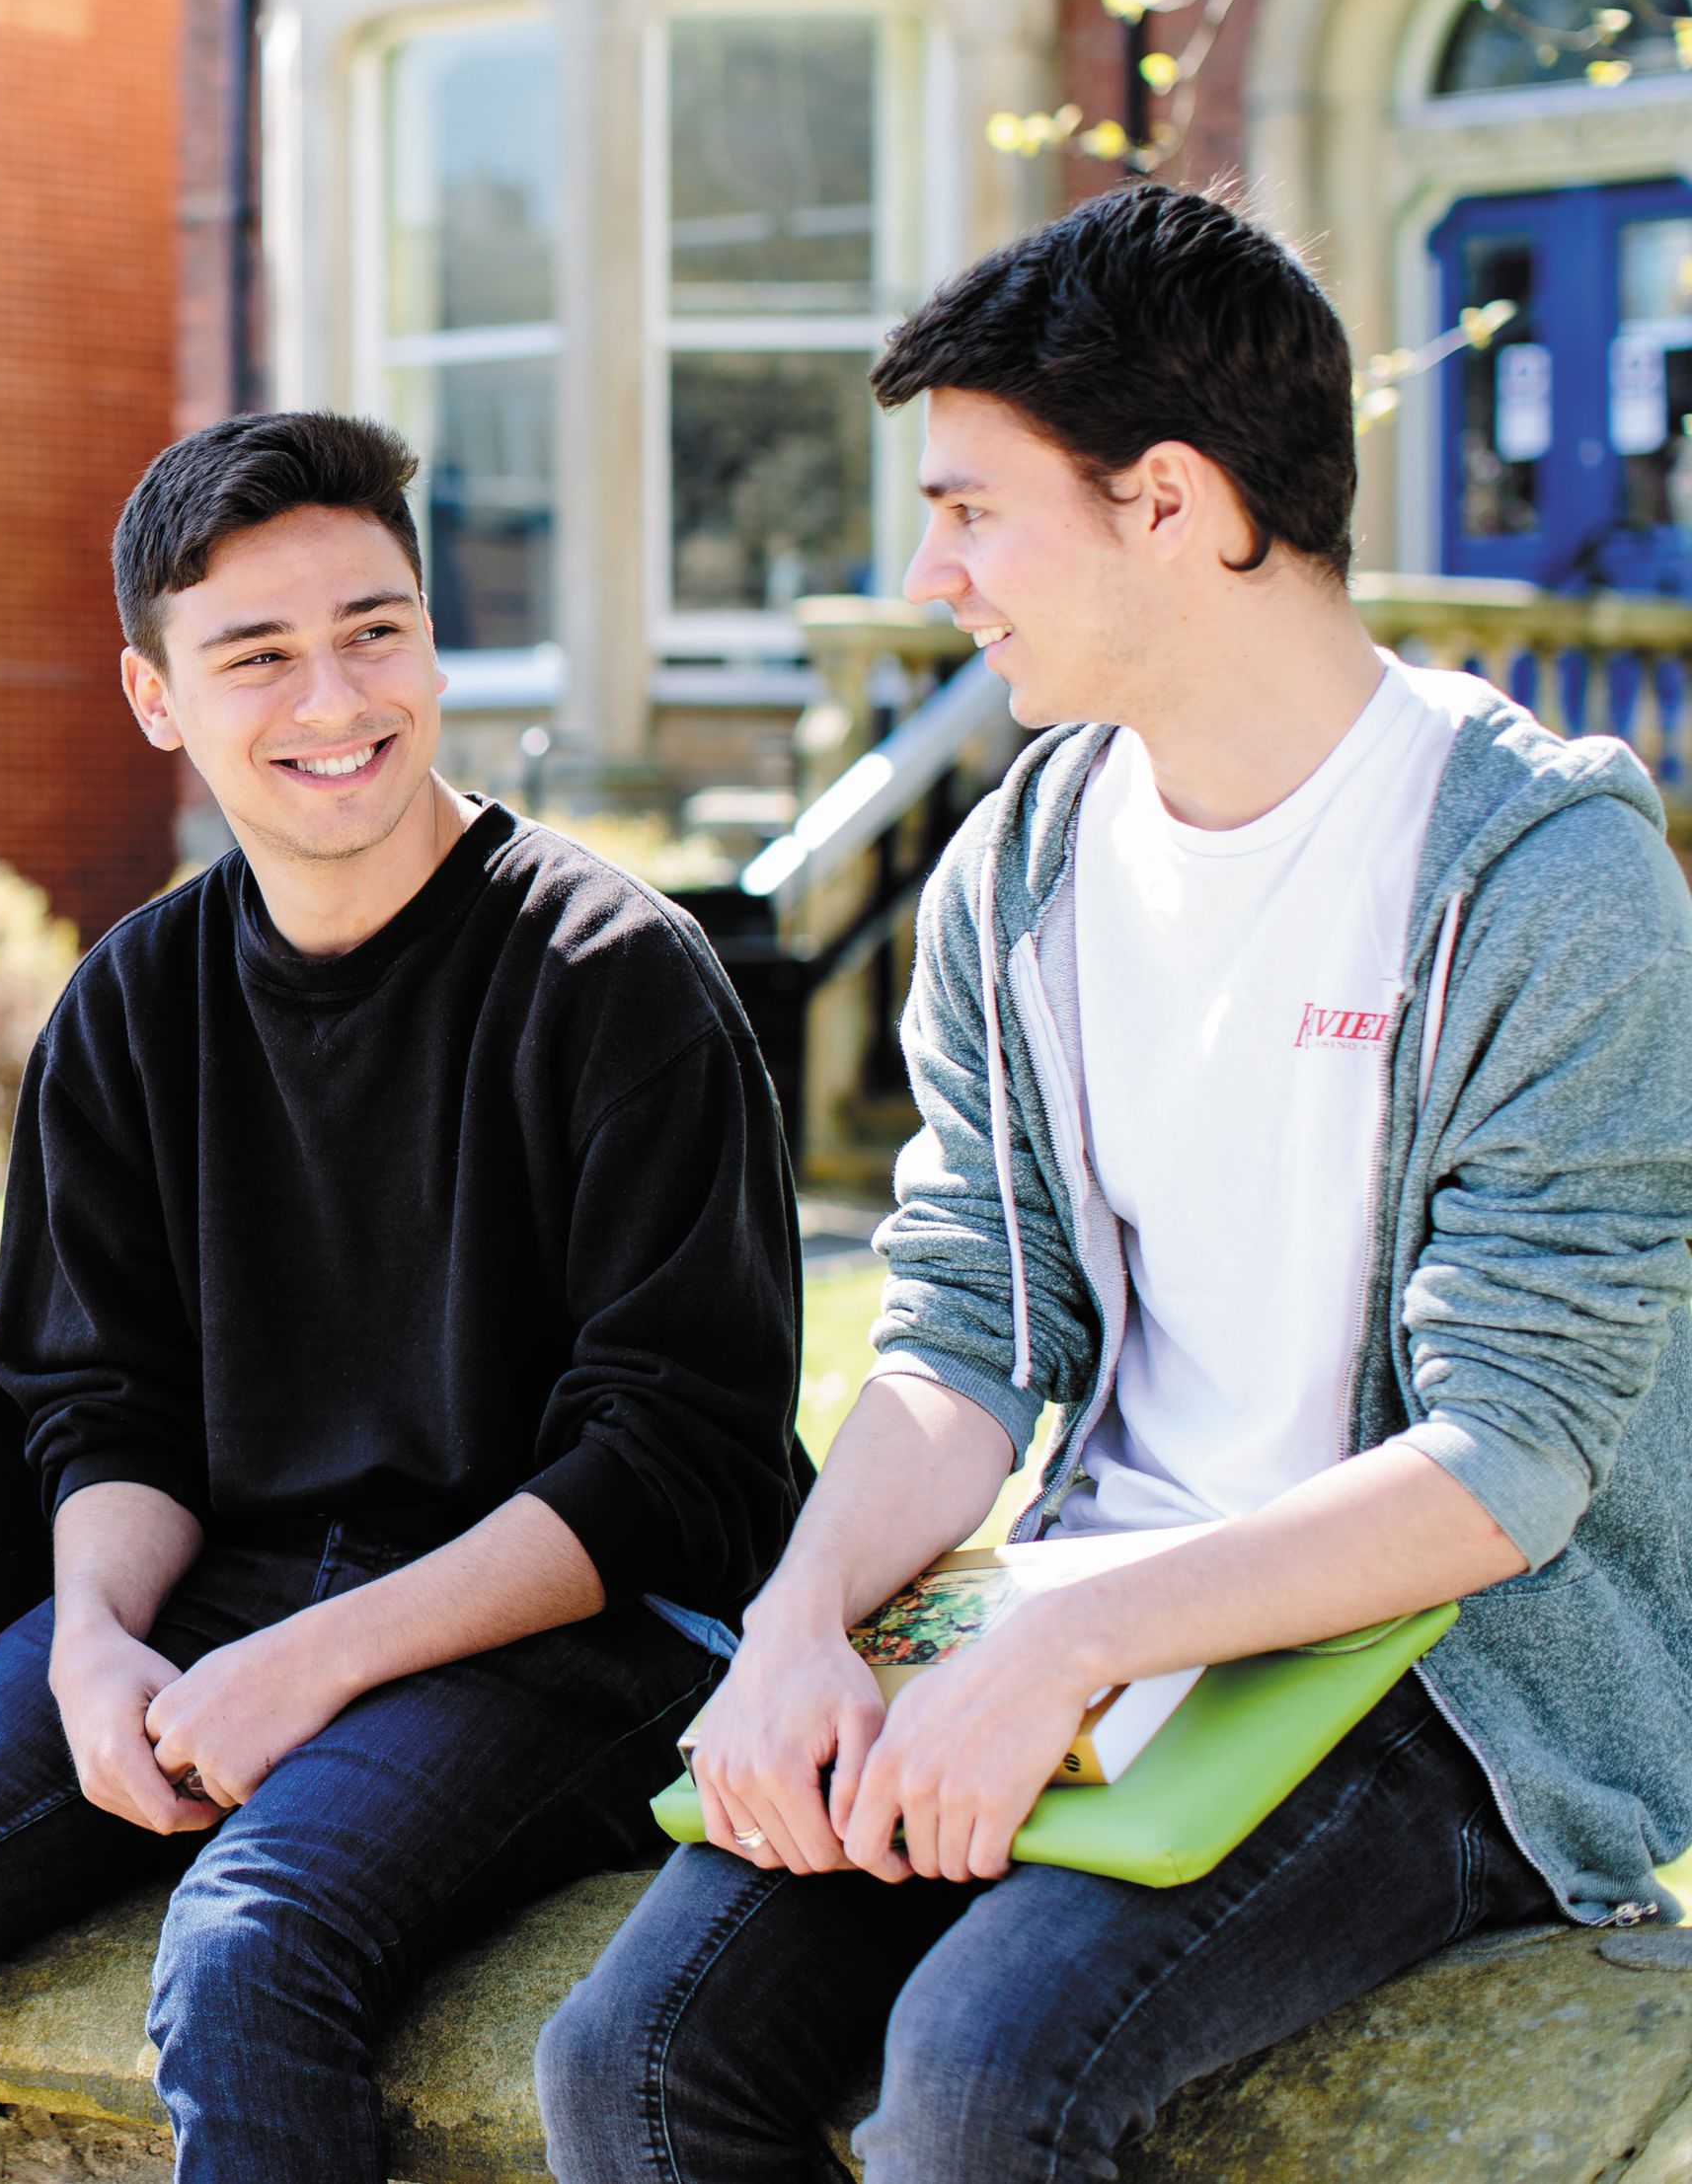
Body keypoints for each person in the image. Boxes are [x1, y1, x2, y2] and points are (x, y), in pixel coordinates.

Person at [537, 182, 1692, 2184]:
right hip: (1086, 1613)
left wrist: (1066, 1650)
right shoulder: (1017, 869)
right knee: (629, 2062)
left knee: (983, 2077)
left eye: (971, 511)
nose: (931, 575)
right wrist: (801, 1620)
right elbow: (965, 1325)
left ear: (1166, 502)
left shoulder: (1540, 876)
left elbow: (1506, 1460)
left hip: (1443, 1671)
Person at [0, 413, 812, 2184]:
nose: (335, 699)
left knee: (251, 1947)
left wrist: (309, 1664)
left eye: (374, 631)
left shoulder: (613, 974)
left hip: (582, 1624)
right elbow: (103, 1403)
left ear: (431, 641)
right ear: (155, 694)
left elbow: (673, 1463)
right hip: (218, 1593)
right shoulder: (131, 1002)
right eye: (257, 655)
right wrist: (96, 1640)